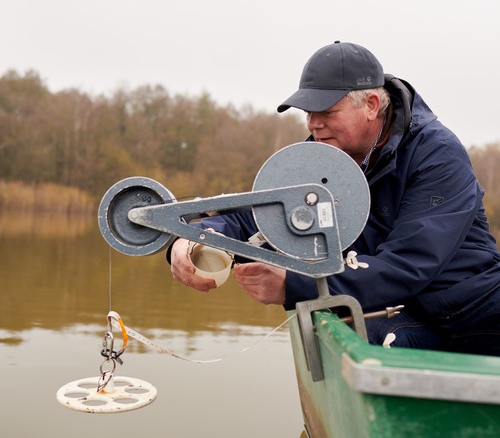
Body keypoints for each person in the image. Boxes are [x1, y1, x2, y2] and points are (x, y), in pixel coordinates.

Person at [168, 41, 500, 356]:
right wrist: (191, 240)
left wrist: (295, 284)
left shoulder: (437, 155)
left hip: (476, 319)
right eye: (308, 113)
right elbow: (255, 216)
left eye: (326, 111)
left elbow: (406, 267)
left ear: (371, 106)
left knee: (371, 335)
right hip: (404, 312)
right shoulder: (320, 156)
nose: (314, 124)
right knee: (356, 329)